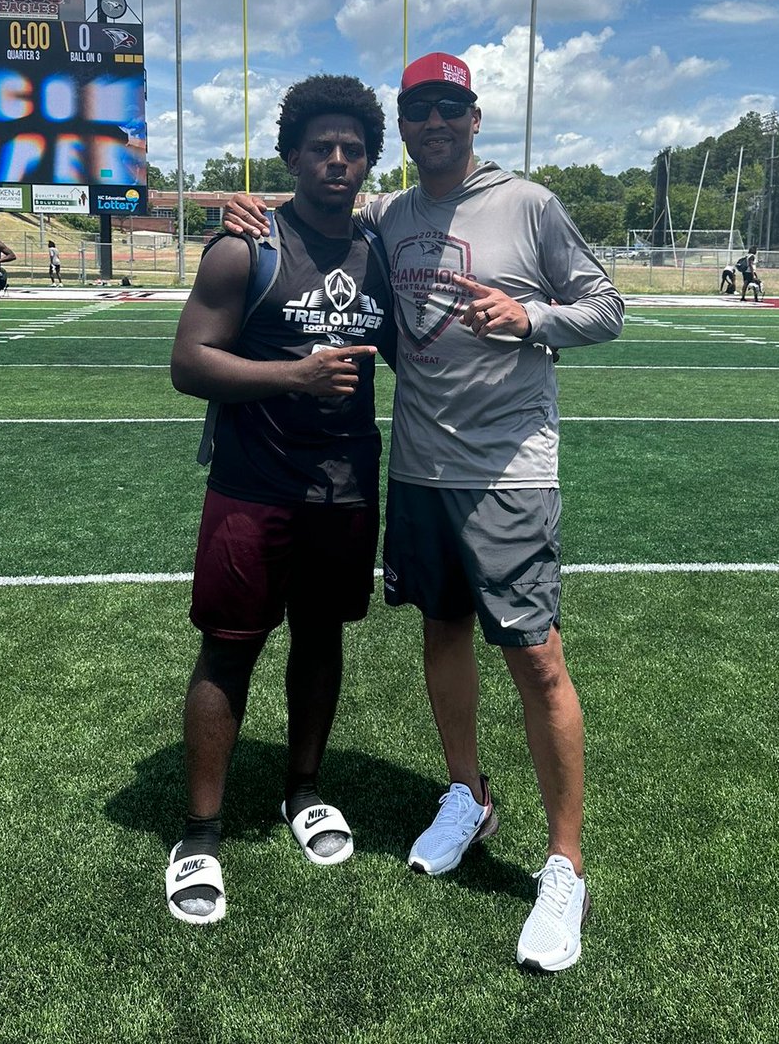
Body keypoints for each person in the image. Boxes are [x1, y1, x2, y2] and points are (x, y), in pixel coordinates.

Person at [224, 52, 624, 972]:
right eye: (419, 111)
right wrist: (246, 211)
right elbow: (317, 209)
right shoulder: (392, 214)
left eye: (450, 108)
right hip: (418, 470)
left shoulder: (529, 204)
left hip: (509, 472)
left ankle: (565, 864)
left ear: (475, 117)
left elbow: (607, 307)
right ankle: (467, 795)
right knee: (441, 633)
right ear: (402, 127)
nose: (435, 123)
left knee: (536, 657)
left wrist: (530, 320)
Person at [166, 75, 393, 928]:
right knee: (229, 650)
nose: (337, 160)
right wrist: (293, 376)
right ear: (292, 155)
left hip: (344, 487)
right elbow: (189, 363)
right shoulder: (246, 247)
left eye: (352, 149)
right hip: (253, 487)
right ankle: (200, 833)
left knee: (322, 637)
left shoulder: (379, 255)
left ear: (368, 163)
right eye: (321, 147)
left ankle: (303, 789)